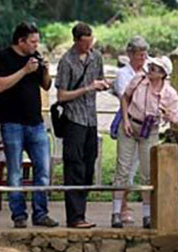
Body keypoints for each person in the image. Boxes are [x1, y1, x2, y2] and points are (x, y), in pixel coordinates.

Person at [0, 22, 57, 229]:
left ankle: (41, 213)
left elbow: (46, 85)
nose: (36, 45)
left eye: (37, 41)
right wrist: (24, 70)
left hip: (36, 122)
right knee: (14, 172)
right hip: (12, 123)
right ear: (20, 41)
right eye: (32, 41)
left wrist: (45, 70)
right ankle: (18, 214)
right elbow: (1, 86)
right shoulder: (3, 57)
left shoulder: (35, 57)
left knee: (43, 169)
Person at [120, 55, 178, 228]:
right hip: (132, 124)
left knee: (147, 173)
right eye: (152, 66)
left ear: (163, 74)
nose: (152, 70)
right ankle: (116, 212)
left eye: (157, 68)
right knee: (123, 169)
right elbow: (124, 97)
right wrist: (125, 120)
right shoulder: (139, 80)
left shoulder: (169, 93)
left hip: (151, 130)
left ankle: (147, 215)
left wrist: (167, 113)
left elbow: (177, 119)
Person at [56, 22, 109, 229]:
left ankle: (82, 211)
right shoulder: (66, 61)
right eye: (85, 44)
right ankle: (75, 216)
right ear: (76, 41)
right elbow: (62, 95)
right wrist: (87, 88)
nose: (89, 47)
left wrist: (103, 86)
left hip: (91, 119)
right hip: (74, 119)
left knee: (89, 165)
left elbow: (101, 79)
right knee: (74, 166)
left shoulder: (96, 57)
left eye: (91, 42)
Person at [111, 36, 149, 228]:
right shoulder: (123, 74)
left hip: (146, 124)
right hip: (130, 120)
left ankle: (145, 211)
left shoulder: (149, 69)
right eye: (139, 54)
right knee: (124, 167)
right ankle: (121, 208)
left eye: (144, 54)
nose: (142, 58)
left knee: (142, 169)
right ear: (130, 55)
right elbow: (125, 97)